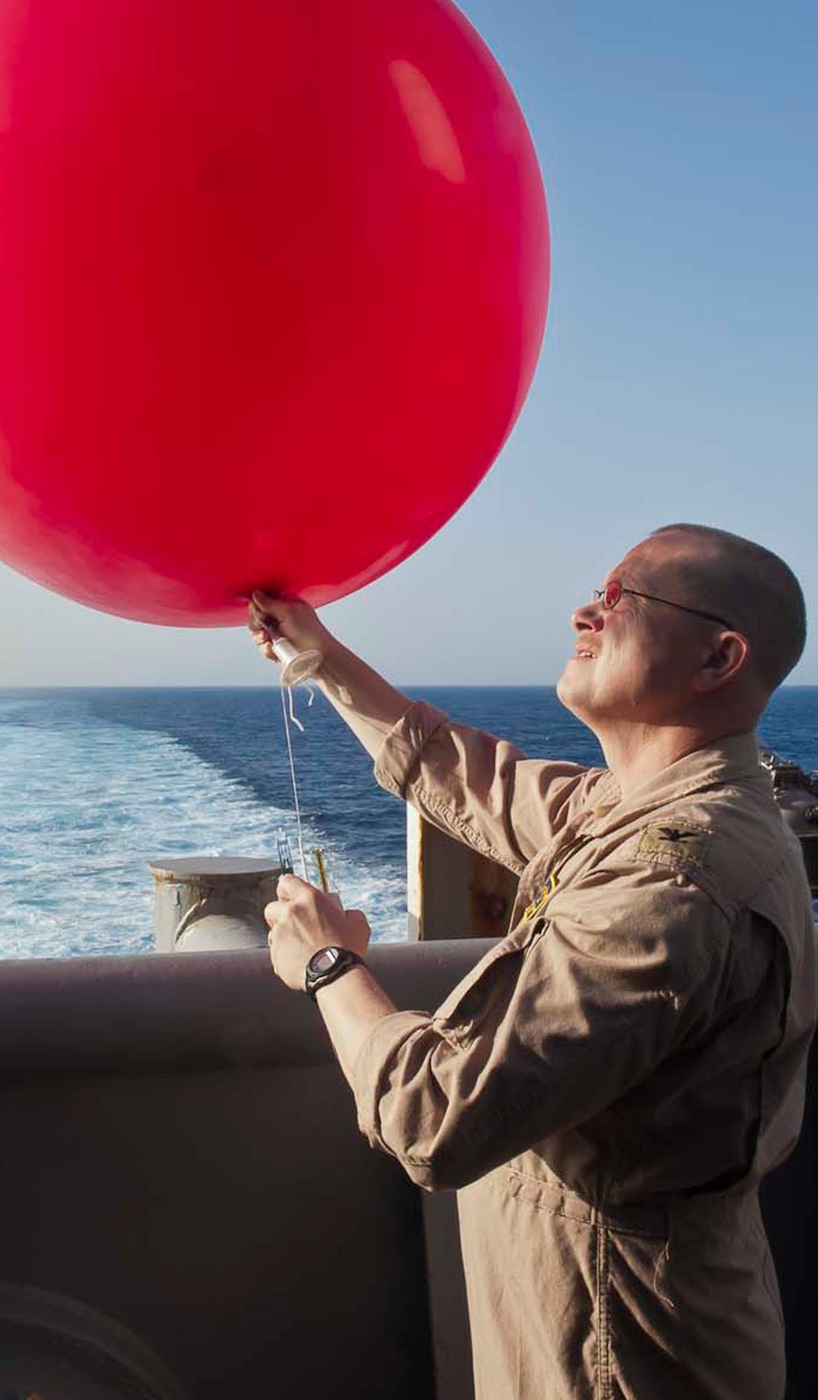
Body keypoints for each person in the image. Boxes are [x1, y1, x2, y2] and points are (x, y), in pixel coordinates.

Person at [249, 523, 815, 1400]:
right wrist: (322, 657)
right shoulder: (639, 811)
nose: (586, 611)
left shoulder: (674, 879)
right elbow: (471, 777)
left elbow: (437, 1118)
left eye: (624, 599)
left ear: (719, 657)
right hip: (594, 1307)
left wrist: (328, 964)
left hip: (619, 1343)